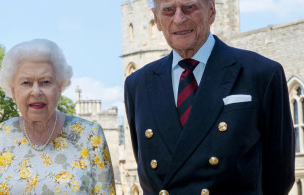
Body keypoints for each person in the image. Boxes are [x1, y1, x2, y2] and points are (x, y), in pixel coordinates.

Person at [124, 0, 295, 194]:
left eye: (189, 7)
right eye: (169, 10)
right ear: (157, 19)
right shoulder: (137, 85)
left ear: (211, 11)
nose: (179, 19)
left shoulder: (261, 74)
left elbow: (280, 176)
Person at [0, 39, 115, 194]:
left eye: (45, 82)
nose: (36, 92)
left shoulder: (90, 136)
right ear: (13, 91)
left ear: (59, 88)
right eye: (26, 83)